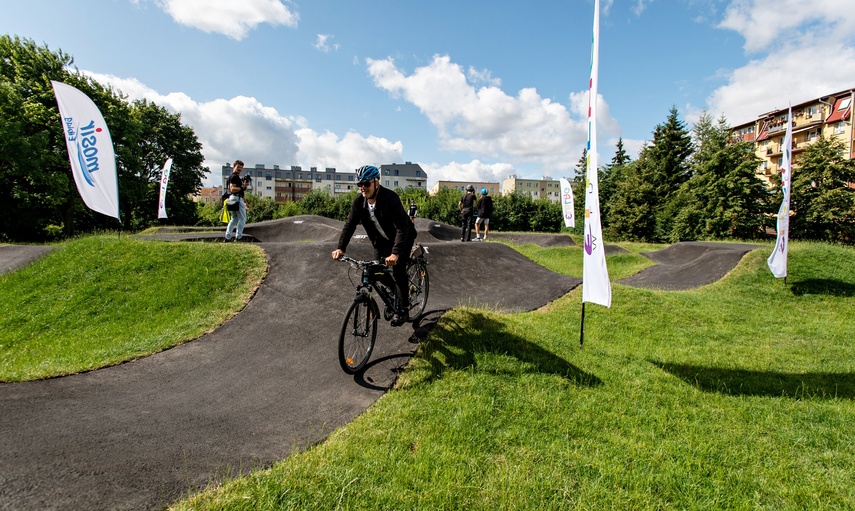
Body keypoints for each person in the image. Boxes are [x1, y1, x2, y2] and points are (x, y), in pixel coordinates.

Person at [332, 165, 417, 327]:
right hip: (381, 242)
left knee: (398, 271)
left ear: (376, 182)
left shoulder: (390, 198)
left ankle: (403, 308)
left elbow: (402, 228)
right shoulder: (359, 202)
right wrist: (340, 248)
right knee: (376, 271)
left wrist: (395, 253)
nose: (363, 188)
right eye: (359, 185)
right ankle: (395, 293)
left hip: (403, 238)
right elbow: (349, 225)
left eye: (366, 184)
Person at [224, 160, 251, 241]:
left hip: (231, 198)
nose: (240, 169)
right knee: (242, 218)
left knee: (234, 218)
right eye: (238, 167)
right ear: (234, 167)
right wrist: (243, 187)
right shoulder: (234, 177)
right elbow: (233, 189)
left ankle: (227, 237)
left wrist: (246, 202)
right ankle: (238, 237)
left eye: (241, 168)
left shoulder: (234, 177)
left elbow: (240, 191)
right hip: (236, 198)